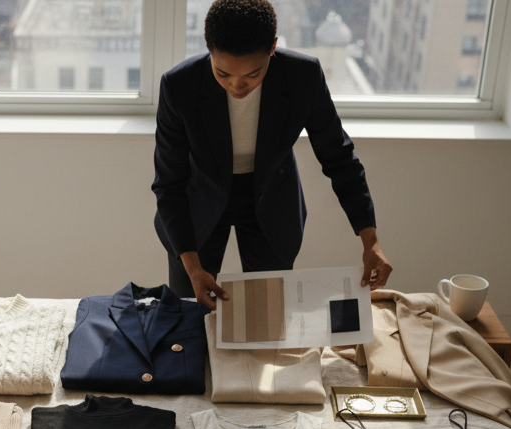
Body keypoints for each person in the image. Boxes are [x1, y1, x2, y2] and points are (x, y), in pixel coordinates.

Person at [153, 0, 392, 310]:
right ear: (208, 49)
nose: (237, 87)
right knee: (188, 311)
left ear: (273, 49)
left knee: (268, 312)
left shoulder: (303, 77)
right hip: (198, 200)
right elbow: (169, 184)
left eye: (252, 75)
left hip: (271, 198)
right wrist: (193, 268)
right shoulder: (178, 85)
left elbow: (339, 159)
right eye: (223, 74)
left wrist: (370, 241)